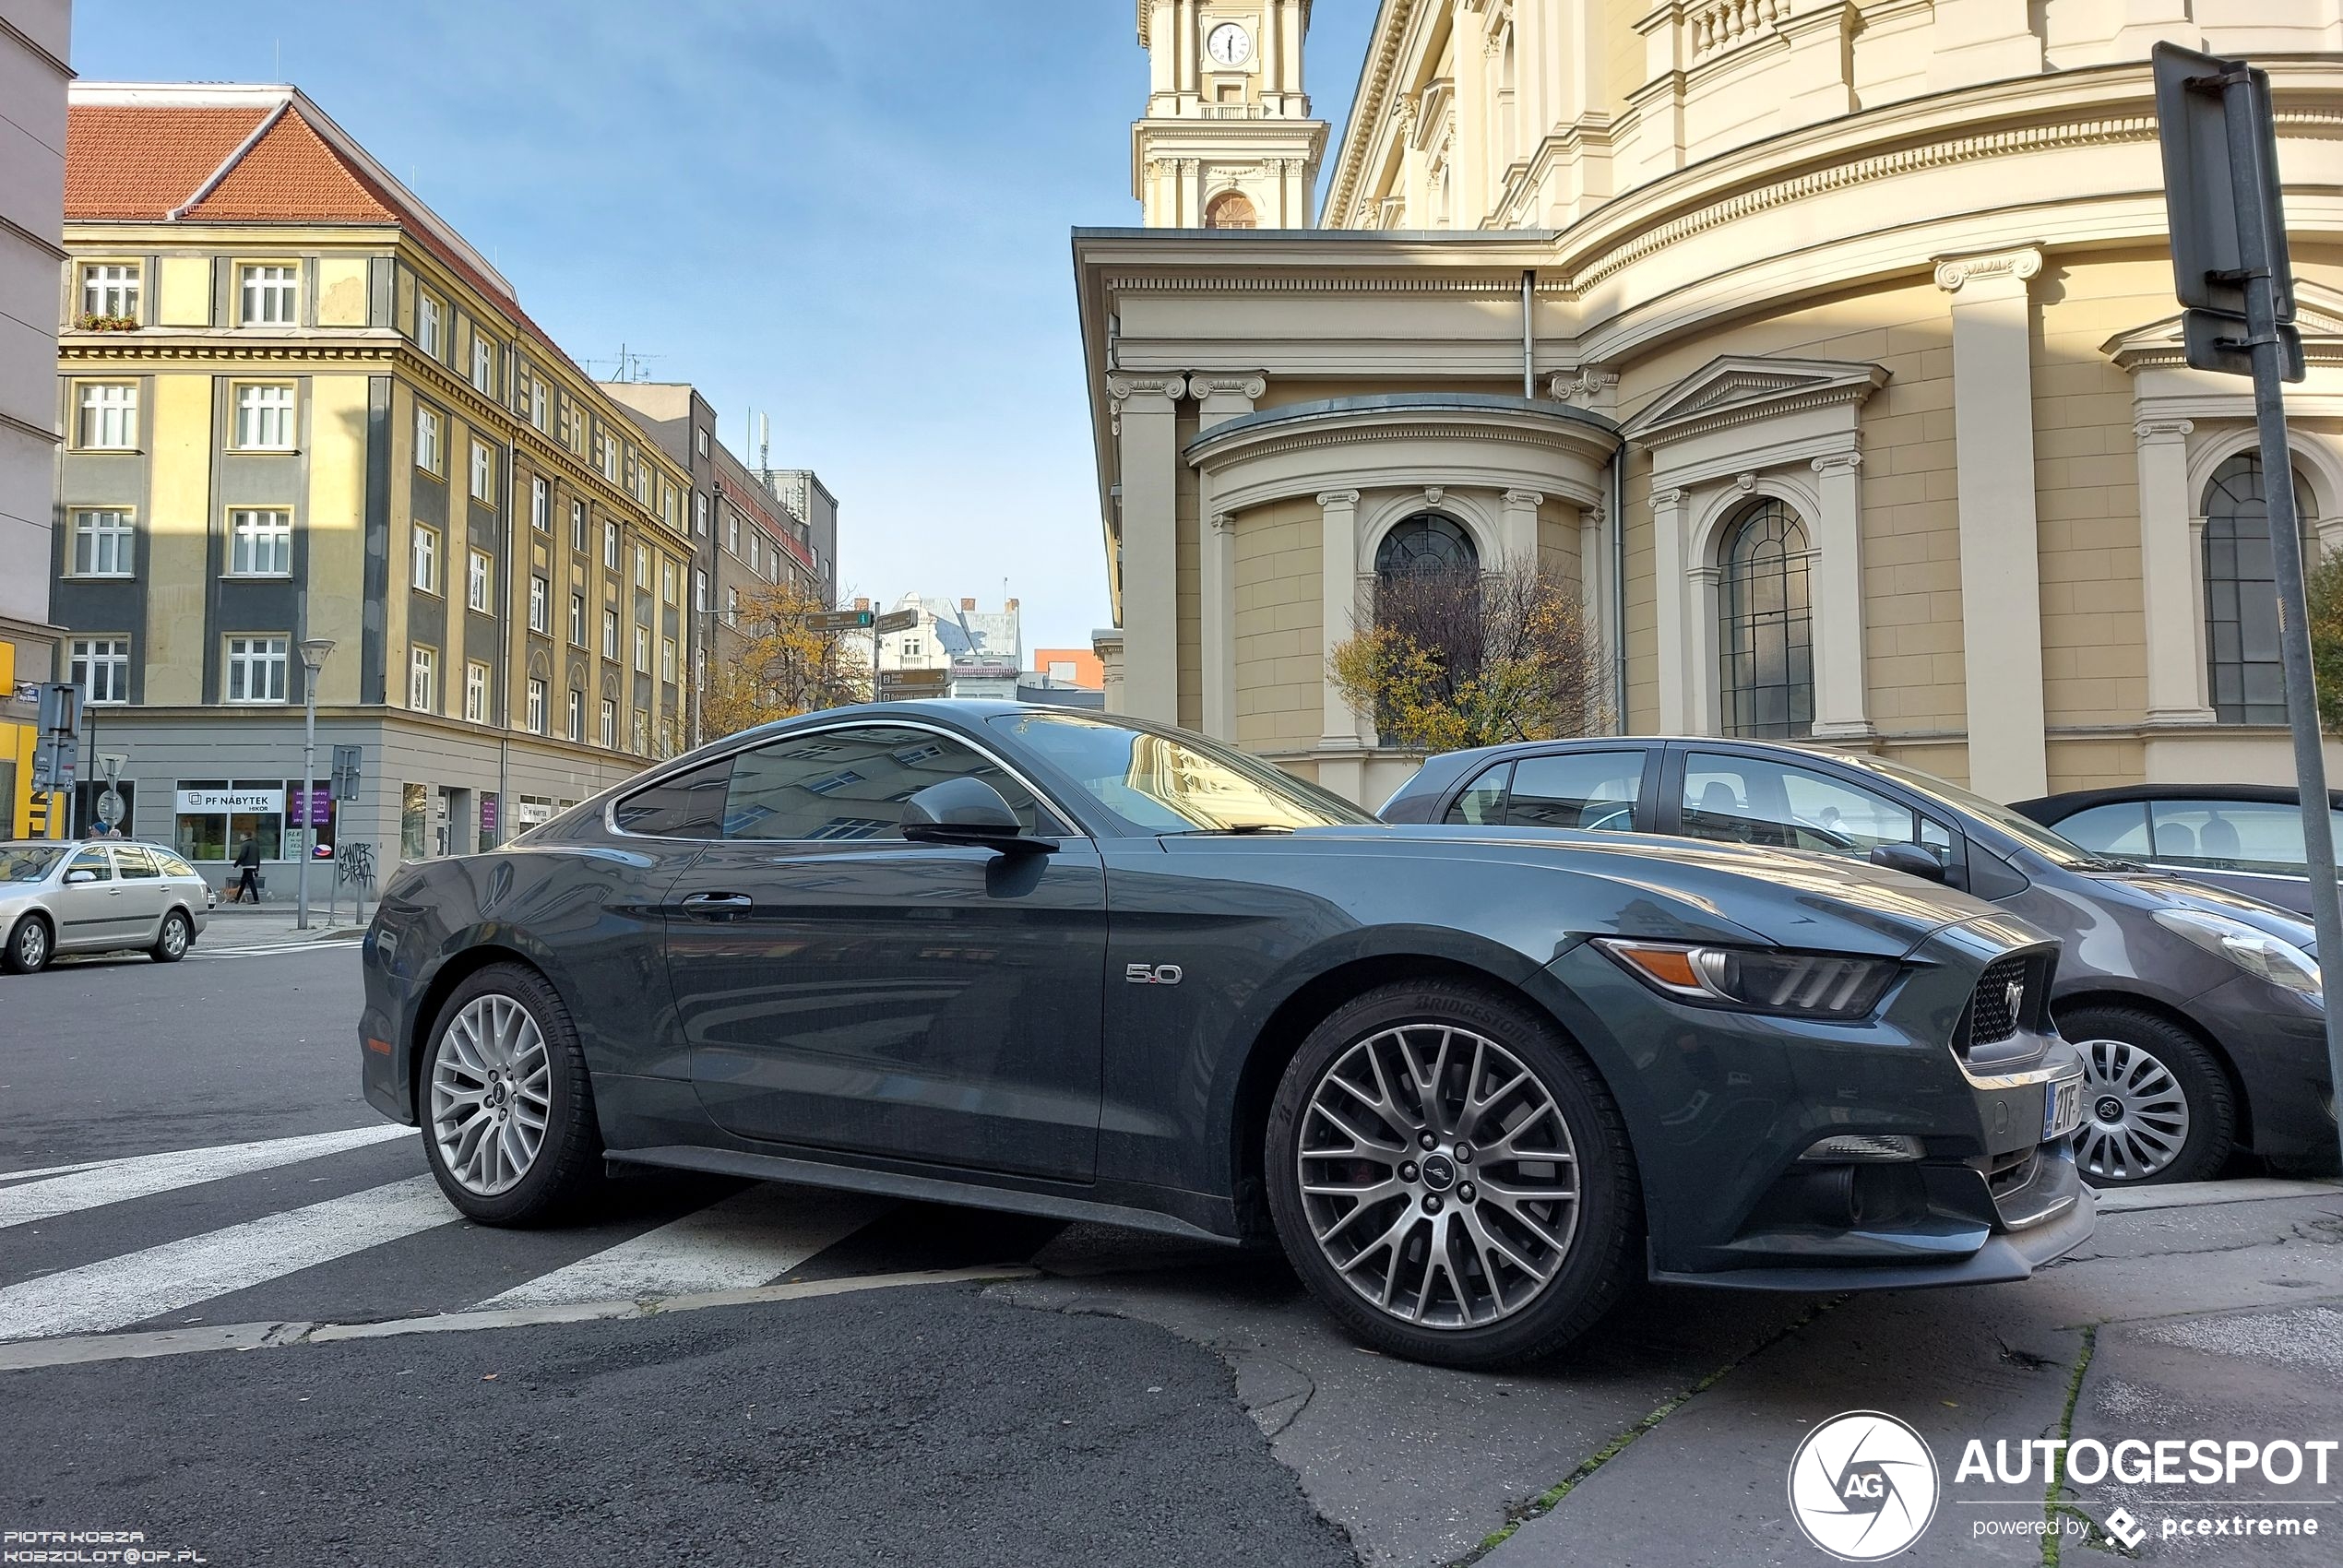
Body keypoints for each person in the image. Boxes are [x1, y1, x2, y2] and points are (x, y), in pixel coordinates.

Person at [230, 834, 262, 903]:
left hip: (247, 866)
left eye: (241, 835)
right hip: (253, 866)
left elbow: (242, 855)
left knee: (251, 883)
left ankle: (256, 899)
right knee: (243, 883)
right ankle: (237, 898)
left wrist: (235, 865)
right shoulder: (255, 844)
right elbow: (258, 857)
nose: (240, 837)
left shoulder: (245, 844)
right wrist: (257, 868)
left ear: (245, 836)